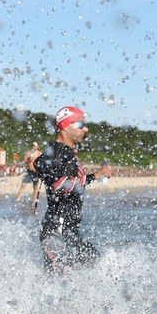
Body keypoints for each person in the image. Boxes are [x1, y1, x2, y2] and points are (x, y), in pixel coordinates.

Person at [35, 106, 114, 273]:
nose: (85, 129)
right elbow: (40, 164)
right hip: (57, 232)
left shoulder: (66, 152)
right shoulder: (58, 150)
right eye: (80, 124)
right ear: (65, 126)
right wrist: (55, 180)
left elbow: (72, 184)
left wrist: (94, 176)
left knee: (93, 265)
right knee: (61, 281)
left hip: (68, 231)